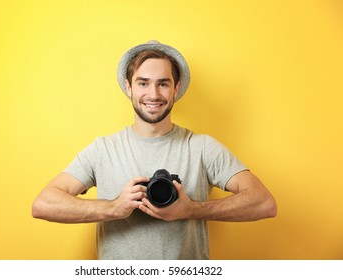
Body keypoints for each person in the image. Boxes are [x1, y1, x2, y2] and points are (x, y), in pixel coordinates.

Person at [32, 40, 277, 259]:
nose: (153, 94)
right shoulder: (103, 150)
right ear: (129, 87)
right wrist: (115, 207)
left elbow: (263, 203)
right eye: (143, 83)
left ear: (176, 89)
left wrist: (191, 209)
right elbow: (43, 204)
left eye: (163, 84)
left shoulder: (202, 148)